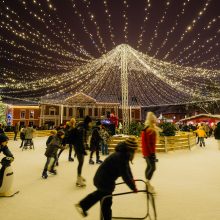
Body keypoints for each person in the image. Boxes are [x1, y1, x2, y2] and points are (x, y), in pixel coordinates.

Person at [75, 136, 138, 220]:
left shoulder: (122, 154)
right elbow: (125, 175)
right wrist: (133, 187)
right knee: (104, 199)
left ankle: (84, 206)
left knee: (104, 200)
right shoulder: (122, 157)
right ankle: (82, 205)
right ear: (131, 150)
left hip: (102, 178)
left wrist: (132, 180)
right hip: (104, 181)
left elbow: (127, 169)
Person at [141, 112, 160, 194]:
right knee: (152, 168)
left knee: (149, 167)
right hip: (149, 152)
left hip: (146, 152)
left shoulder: (148, 128)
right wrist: (152, 153)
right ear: (152, 120)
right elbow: (149, 143)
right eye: (154, 119)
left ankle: (147, 185)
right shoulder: (150, 130)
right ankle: (147, 184)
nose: (156, 120)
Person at [74, 116, 92, 187]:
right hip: (79, 147)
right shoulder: (82, 129)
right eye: (90, 122)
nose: (91, 124)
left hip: (78, 147)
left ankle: (79, 176)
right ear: (88, 122)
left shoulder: (81, 127)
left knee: (81, 163)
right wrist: (83, 150)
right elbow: (80, 140)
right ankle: (78, 179)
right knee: (81, 163)